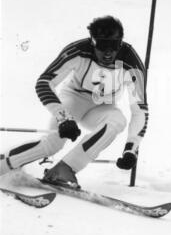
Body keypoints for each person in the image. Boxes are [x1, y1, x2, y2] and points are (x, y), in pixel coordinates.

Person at [0, 16, 149, 189]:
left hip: (103, 106)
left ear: (120, 43)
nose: (108, 53)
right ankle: (3, 163)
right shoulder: (78, 50)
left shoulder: (131, 62)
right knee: (54, 143)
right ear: (92, 42)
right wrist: (63, 117)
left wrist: (131, 148)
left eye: (114, 46)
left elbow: (140, 109)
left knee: (117, 121)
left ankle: (64, 169)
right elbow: (44, 82)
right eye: (102, 46)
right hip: (74, 99)